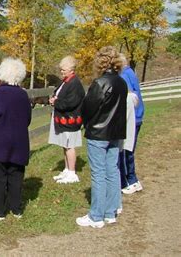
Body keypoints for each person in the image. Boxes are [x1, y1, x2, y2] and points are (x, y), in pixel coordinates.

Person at [76, 46, 127, 228]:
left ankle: (96, 216)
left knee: (99, 173)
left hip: (99, 132)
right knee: (112, 170)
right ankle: (111, 211)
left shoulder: (100, 83)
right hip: (116, 132)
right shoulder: (121, 82)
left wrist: (86, 123)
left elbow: (88, 108)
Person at [0, 58, 32, 220]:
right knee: (16, 176)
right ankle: (16, 210)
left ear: (3, 74)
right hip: (20, 141)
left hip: (0, 141)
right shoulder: (23, 95)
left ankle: (0, 212)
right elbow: (28, 119)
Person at [49, 56, 85, 184]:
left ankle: (72, 173)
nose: (61, 72)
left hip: (71, 120)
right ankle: (66, 169)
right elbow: (58, 94)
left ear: (71, 69)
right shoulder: (66, 81)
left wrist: (56, 102)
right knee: (65, 145)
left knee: (70, 146)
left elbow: (71, 103)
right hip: (63, 120)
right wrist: (54, 99)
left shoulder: (75, 84)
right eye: (61, 70)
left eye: (63, 70)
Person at [119, 53, 144, 195]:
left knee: (125, 150)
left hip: (131, 118)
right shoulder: (130, 72)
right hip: (138, 116)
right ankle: (132, 180)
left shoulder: (123, 75)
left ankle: (129, 181)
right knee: (129, 150)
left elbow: (128, 96)